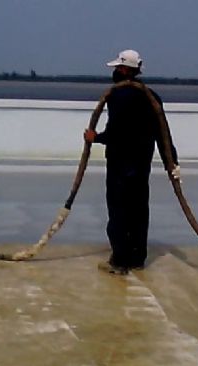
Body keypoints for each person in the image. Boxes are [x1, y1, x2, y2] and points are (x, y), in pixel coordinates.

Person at [83, 50, 179, 275]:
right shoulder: (151, 95)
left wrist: (95, 138)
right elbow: (163, 133)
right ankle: (137, 258)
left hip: (120, 164)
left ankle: (119, 260)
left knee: (118, 210)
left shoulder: (118, 96)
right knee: (138, 210)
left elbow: (116, 132)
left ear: (125, 69)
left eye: (117, 68)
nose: (115, 72)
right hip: (141, 165)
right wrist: (171, 162)